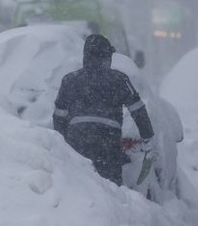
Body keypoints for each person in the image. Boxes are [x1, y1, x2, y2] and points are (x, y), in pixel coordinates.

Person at [53, 34, 155, 186]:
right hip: (108, 140)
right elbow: (138, 111)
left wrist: (61, 143)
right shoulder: (119, 79)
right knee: (111, 189)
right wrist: (148, 137)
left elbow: (59, 117)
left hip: (77, 139)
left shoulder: (70, 80)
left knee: (79, 185)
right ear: (107, 56)